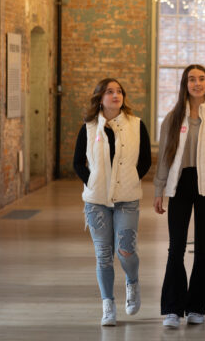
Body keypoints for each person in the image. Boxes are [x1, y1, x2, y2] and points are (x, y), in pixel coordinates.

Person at [153, 64, 205, 329]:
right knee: (175, 247)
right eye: (192, 79)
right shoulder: (173, 117)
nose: (197, 83)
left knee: (203, 247)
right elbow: (164, 156)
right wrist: (159, 190)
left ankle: (197, 307)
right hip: (180, 185)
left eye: (201, 79)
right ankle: (172, 309)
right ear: (185, 84)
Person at [73, 78, 151, 326]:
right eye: (109, 91)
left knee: (125, 250)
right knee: (103, 255)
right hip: (96, 201)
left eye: (119, 91)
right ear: (100, 97)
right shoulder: (89, 127)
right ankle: (108, 304)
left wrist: (131, 179)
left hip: (127, 199)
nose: (115, 95)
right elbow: (78, 162)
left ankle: (132, 282)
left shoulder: (136, 125)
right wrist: (92, 182)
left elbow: (146, 160)